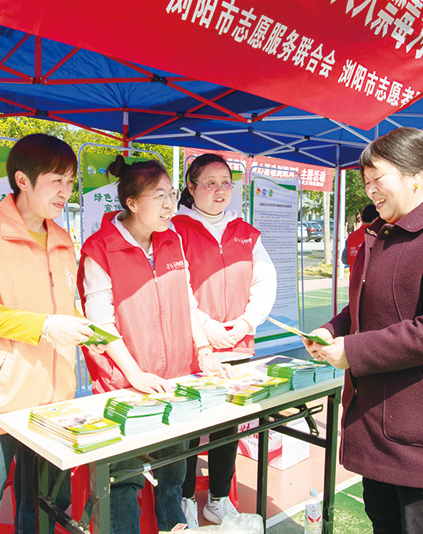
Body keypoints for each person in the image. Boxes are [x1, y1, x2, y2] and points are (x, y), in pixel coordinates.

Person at [302, 127, 423, 534]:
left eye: (377, 179)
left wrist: (353, 351)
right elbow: (367, 304)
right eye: (365, 181)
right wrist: (332, 329)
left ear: (415, 175)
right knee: (383, 522)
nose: (370, 190)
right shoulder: (384, 231)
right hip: (377, 419)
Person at [0, 134, 93, 534]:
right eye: (56, 181)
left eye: (70, 181)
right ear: (23, 180)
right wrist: (44, 327)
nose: (66, 192)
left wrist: (85, 326)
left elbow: (62, 306)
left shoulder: (62, 238)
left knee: (44, 508)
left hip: (51, 398)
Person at [77, 156, 231, 534]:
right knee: (123, 480)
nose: (169, 204)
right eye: (159, 196)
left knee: (173, 474)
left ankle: (173, 526)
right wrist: (134, 374)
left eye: (171, 194)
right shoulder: (100, 249)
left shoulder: (171, 239)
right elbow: (100, 323)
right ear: (132, 202)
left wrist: (204, 352)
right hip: (124, 386)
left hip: (175, 379)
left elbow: (187, 302)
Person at [172, 153, 277, 527]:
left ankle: (218, 499)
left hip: (236, 344)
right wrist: (205, 327)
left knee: (227, 424)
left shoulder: (245, 231)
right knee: (188, 426)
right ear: (191, 187)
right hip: (192, 347)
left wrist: (246, 322)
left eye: (226, 184)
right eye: (210, 183)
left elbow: (265, 281)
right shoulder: (175, 229)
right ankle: (184, 499)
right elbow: (176, 287)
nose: (219, 191)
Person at [341, 203, 380, 267]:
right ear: (376, 219)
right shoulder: (378, 237)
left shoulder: (351, 236)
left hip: (354, 273)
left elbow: (345, 260)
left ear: (361, 218)